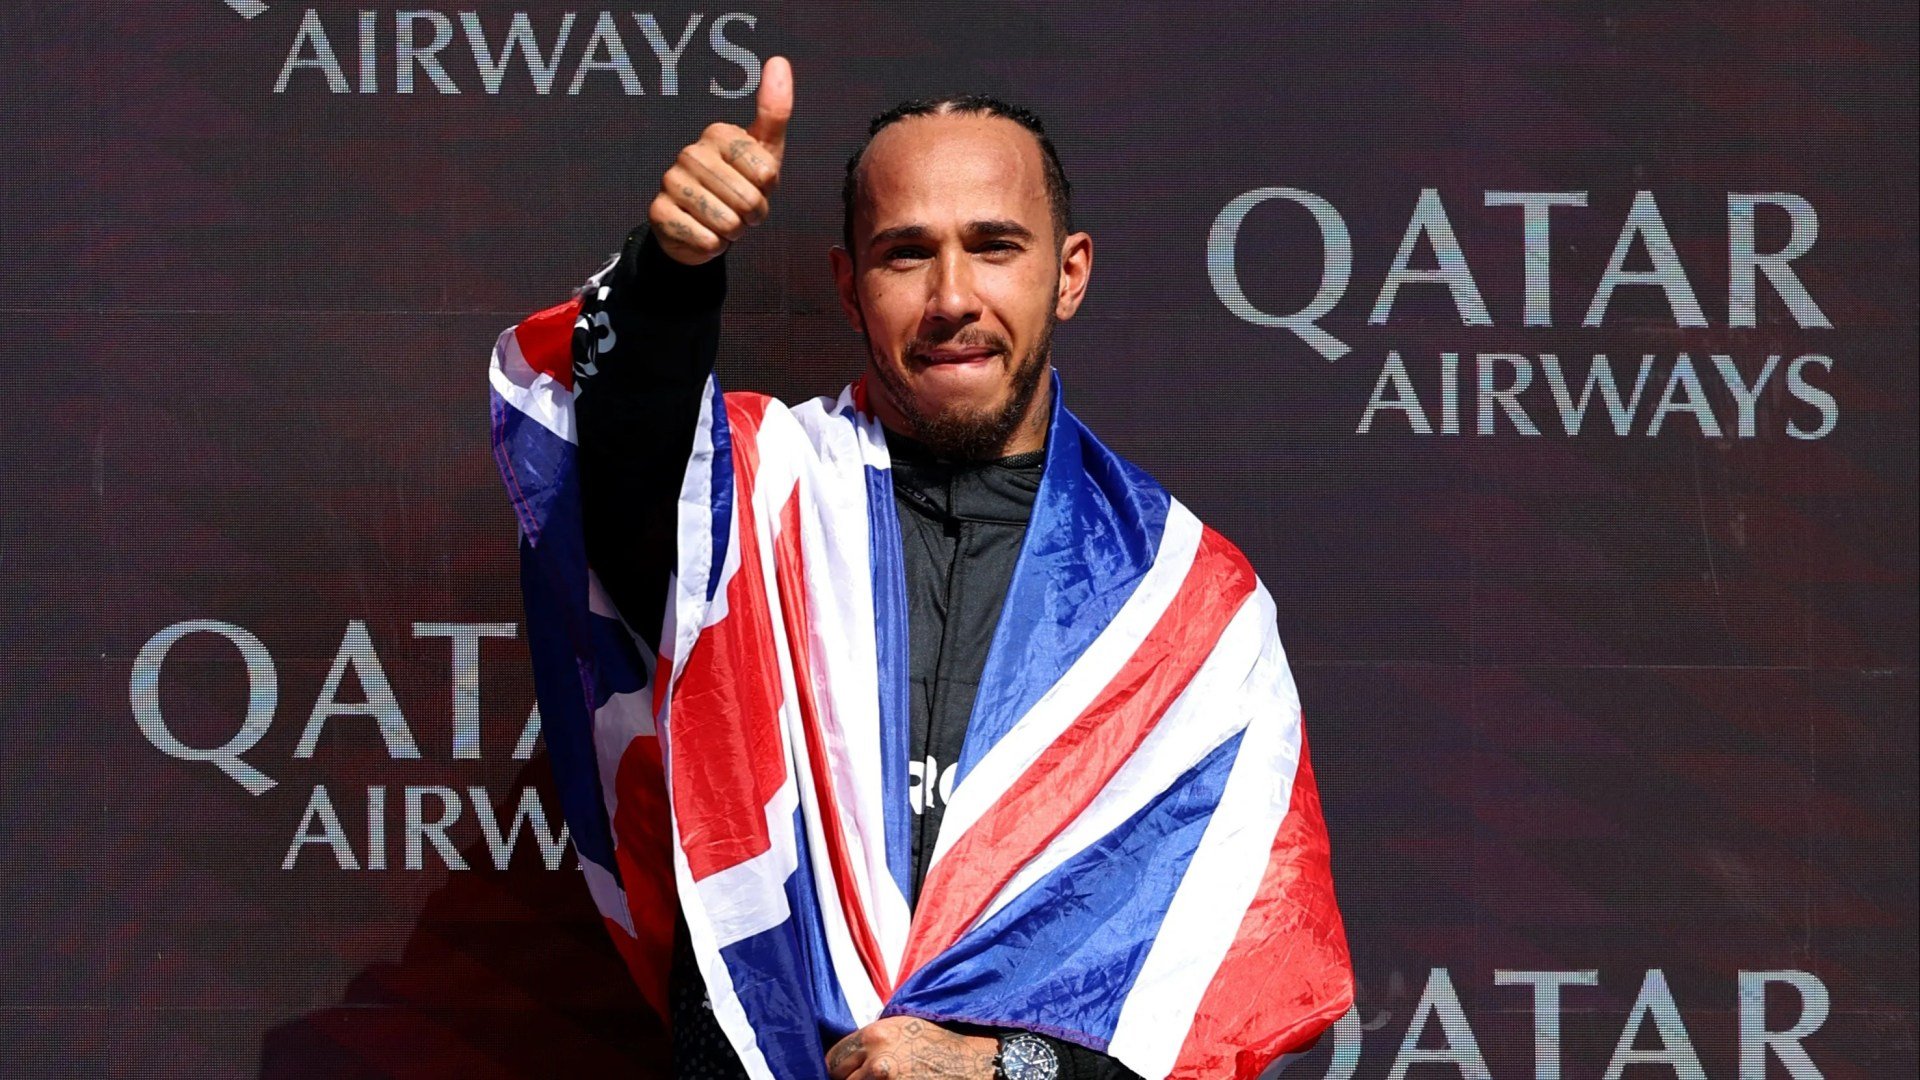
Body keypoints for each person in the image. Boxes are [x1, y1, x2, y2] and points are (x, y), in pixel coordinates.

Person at [490, 55, 1352, 1080]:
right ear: (850, 286)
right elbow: (616, 474)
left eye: (995, 247)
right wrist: (670, 272)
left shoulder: (1192, 605)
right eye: (907, 255)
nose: (953, 298)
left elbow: (1228, 1020)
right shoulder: (754, 504)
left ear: (1068, 273)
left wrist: (996, 1070)